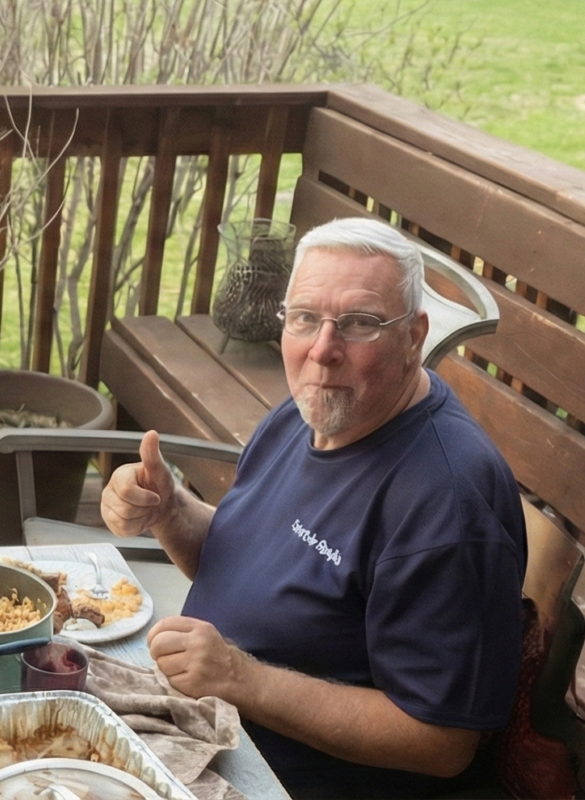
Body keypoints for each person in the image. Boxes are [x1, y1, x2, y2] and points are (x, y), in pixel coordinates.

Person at [103, 216, 527, 799]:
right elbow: (247, 562)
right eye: (305, 318)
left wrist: (239, 679)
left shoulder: (445, 505)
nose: (323, 351)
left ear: (414, 336)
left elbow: (442, 741)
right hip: (200, 732)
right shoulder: (315, 413)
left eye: (360, 324)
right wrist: (171, 511)